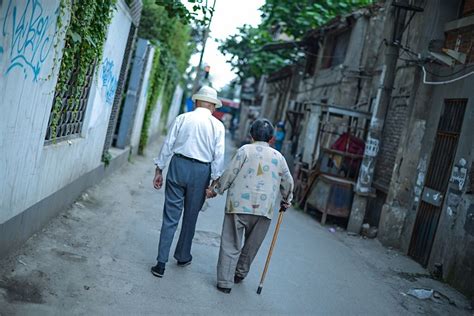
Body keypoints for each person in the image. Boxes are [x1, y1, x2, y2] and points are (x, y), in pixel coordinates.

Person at [207, 118, 294, 294]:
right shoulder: (279, 158)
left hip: (238, 205)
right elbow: (288, 182)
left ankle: (225, 282)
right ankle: (239, 273)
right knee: (252, 245)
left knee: (231, 242)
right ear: (271, 138)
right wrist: (287, 199)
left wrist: (216, 189)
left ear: (251, 135)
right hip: (264, 210)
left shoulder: (244, 150)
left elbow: (230, 173)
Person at [151, 86, 225, 278]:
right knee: (191, 217)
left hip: (178, 166)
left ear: (195, 102)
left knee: (170, 217)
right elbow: (218, 156)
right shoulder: (217, 126)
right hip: (201, 172)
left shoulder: (182, 118)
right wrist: (214, 184)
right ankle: (182, 256)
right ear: (213, 107)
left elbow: (168, 144)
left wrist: (159, 169)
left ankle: (160, 263)